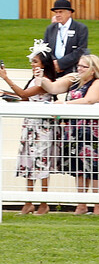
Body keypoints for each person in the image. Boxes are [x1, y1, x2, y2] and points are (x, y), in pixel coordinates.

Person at [37, 55, 99, 216]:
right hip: (73, 130)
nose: (79, 69)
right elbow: (53, 88)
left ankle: (98, 206)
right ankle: (81, 204)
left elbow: (91, 99)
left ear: (92, 70)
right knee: (78, 168)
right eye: (79, 66)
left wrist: (64, 104)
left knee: (95, 169)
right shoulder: (74, 81)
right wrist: (40, 77)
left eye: (83, 67)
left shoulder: (98, 82)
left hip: (91, 131)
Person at [0, 41, 57, 215]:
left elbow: (24, 94)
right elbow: (23, 99)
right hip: (30, 126)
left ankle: (44, 202)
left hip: (42, 127)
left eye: (35, 62)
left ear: (43, 65)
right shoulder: (34, 80)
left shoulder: (44, 81)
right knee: (29, 161)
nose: (32, 65)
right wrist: (5, 93)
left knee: (42, 162)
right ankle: (29, 201)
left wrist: (6, 78)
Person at [43, 0, 89, 78]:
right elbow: (45, 48)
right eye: (56, 12)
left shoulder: (80, 28)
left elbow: (80, 50)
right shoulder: (50, 29)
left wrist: (61, 64)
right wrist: (54, 63)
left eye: (60, 12)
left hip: (71, 69)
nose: (57, 15)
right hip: (53, 69)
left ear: (69, 13)